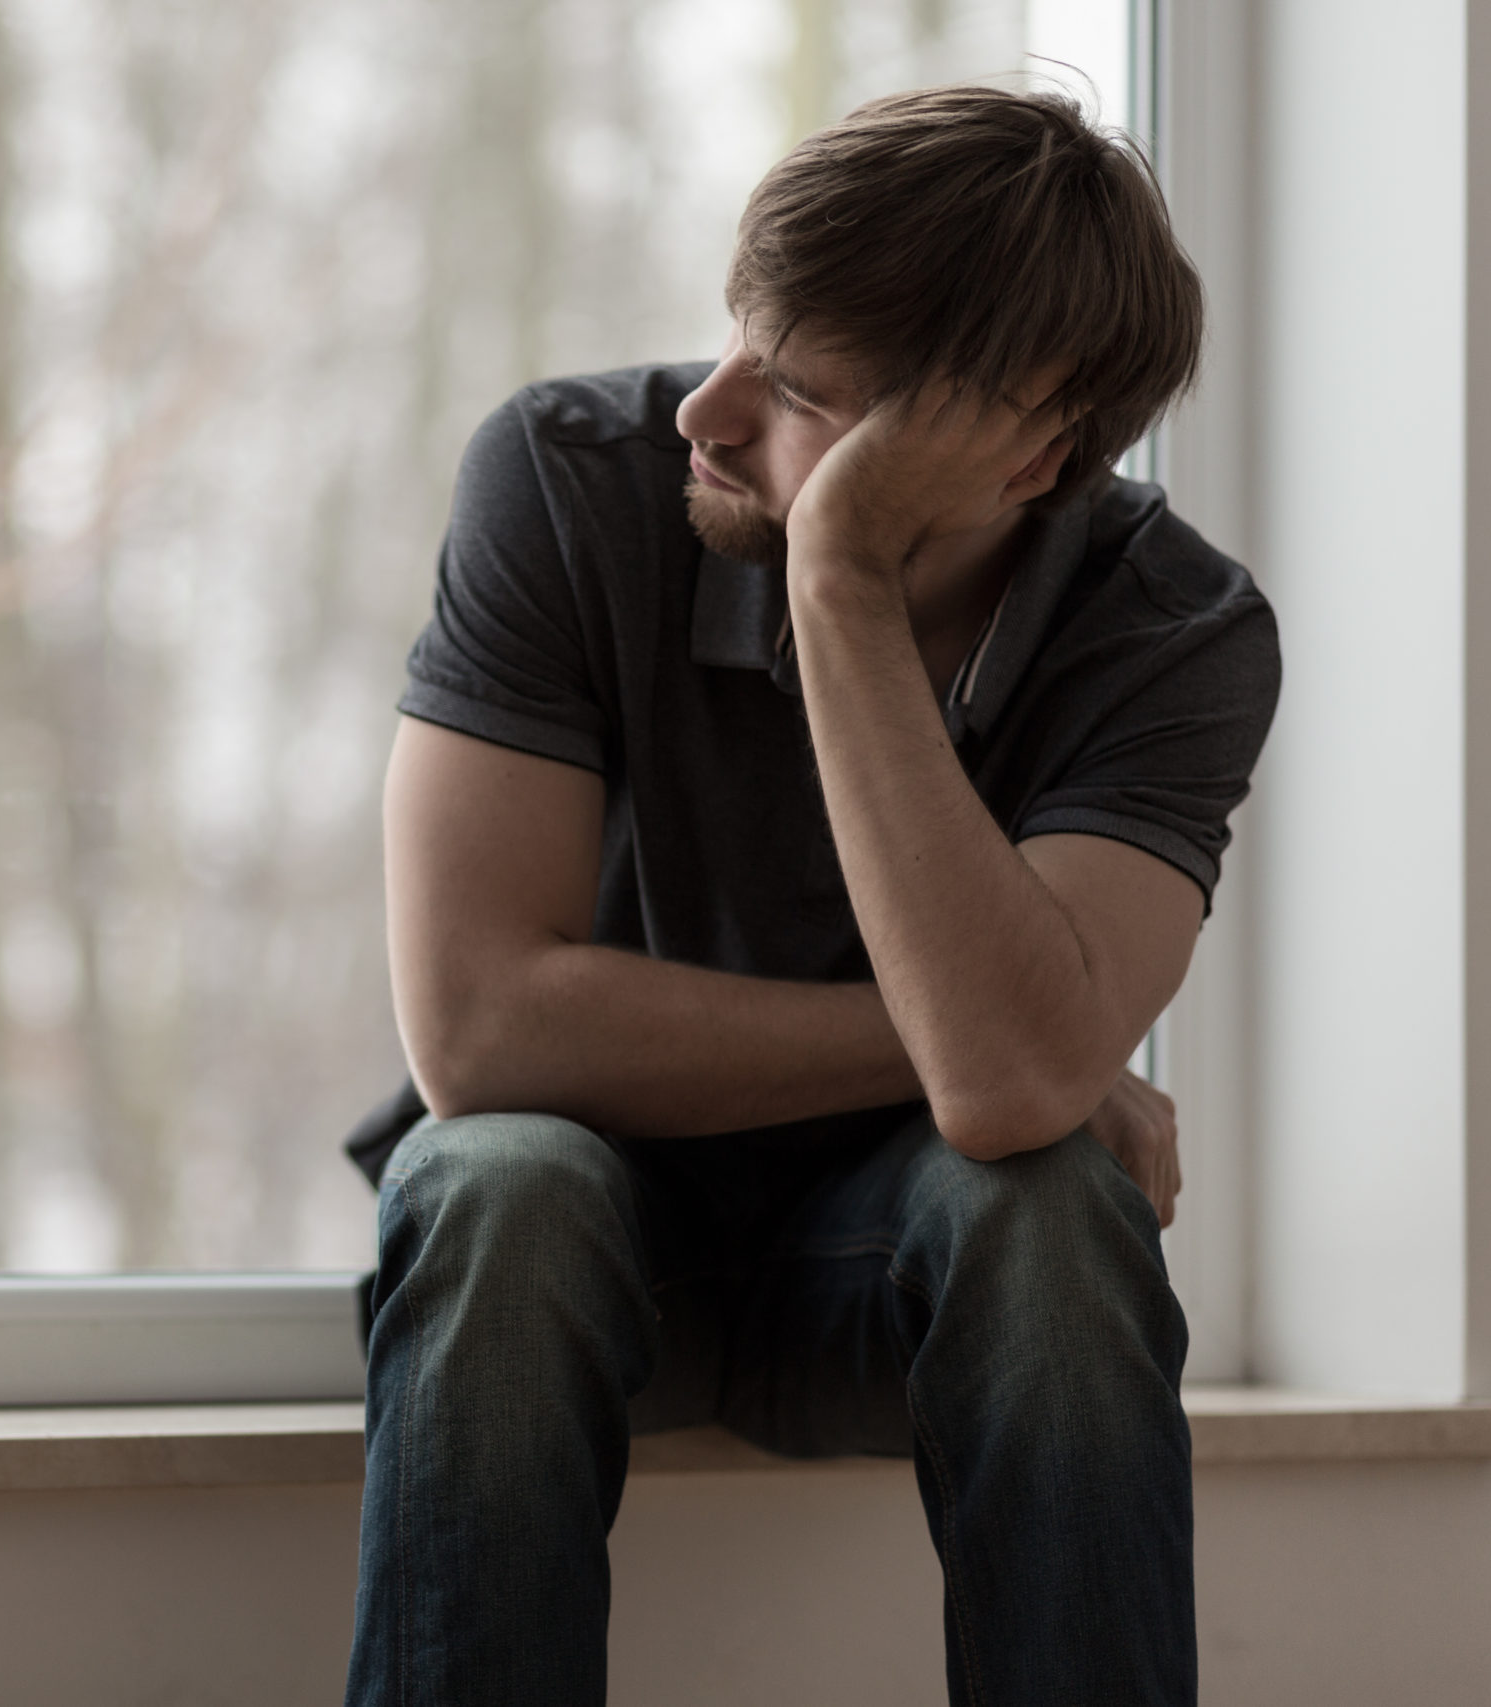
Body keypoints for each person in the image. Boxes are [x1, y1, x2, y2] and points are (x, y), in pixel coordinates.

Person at [340, 84, 1280, 1707]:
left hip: (905, 1272)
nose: (705, 412)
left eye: (795, 392)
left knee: (1048, 1202)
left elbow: (1001, 1109)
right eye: (734, 340)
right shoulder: (566, 483)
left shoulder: (1175, 633)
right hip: (588, 1245)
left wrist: (837, 574)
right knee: (498, 1178)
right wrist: (991, 1049)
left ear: (1017, 455)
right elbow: (481, 1033)